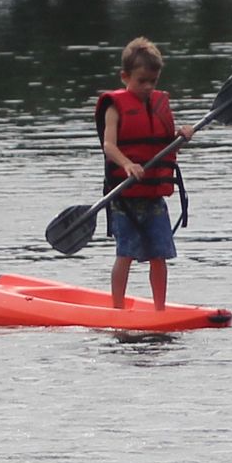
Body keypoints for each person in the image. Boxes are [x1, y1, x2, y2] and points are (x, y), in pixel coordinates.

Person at [94, 38, 182, 307]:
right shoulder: (114, 107)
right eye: (141, 80)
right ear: (125, 76)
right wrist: (127, 164)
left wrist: (182, 134)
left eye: (152, 82)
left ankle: (160, 309)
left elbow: (166, 141)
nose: (147, 87)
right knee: (126, 254)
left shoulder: (158, 104)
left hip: (153, 196)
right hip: (125, 197)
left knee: (160, 255)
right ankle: (117, 308)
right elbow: (109, 146)